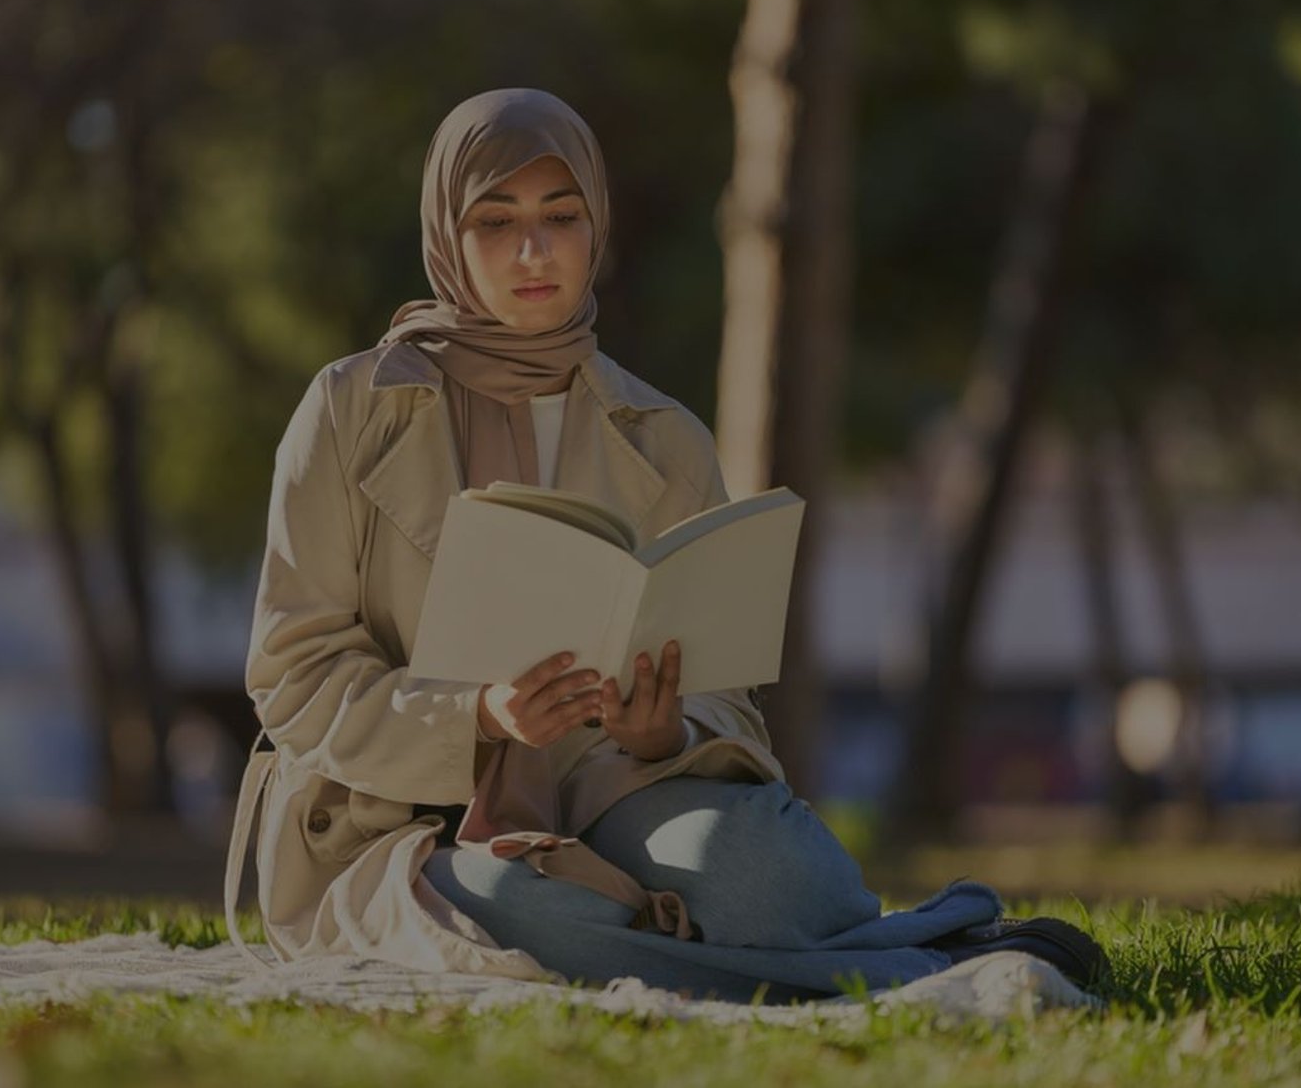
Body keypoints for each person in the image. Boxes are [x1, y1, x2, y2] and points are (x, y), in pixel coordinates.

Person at [224, 87, 1105, 1003]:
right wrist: (478, 713)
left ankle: (695, 939)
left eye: (561, 215)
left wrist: (668, 730)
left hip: (613, 791)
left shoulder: (662, 434)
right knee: (521, 908)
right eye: (496, 220)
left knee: (764, 869)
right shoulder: (349, 410)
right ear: (447, 229)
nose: (534, 250)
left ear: (596, 226)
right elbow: (293, 672)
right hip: (398, 823)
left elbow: (727, 697)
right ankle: (935, 959)